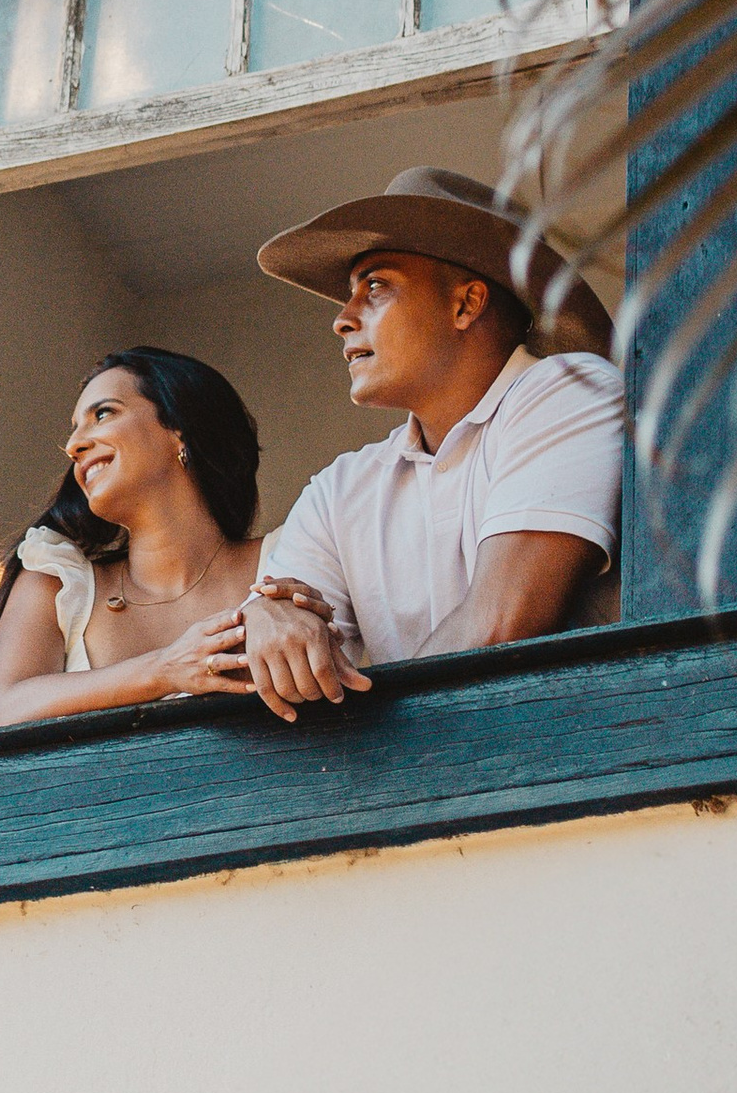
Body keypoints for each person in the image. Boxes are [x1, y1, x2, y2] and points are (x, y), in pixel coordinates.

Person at [241, 164, 622, 721]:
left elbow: (499, 626)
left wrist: (376, 749)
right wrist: (265, 619)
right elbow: (274, 680)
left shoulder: (567, 389)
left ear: (465, 305)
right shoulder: (340, 487)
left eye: (375, 287)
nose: (342, 321)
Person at [0, 346, 265, 728]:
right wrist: (166, 669)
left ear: (180, 427)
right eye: (75, 428)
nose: (73, 446)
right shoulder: (58, 583)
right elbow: (9, 707)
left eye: (102, 414)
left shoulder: (286, 556)